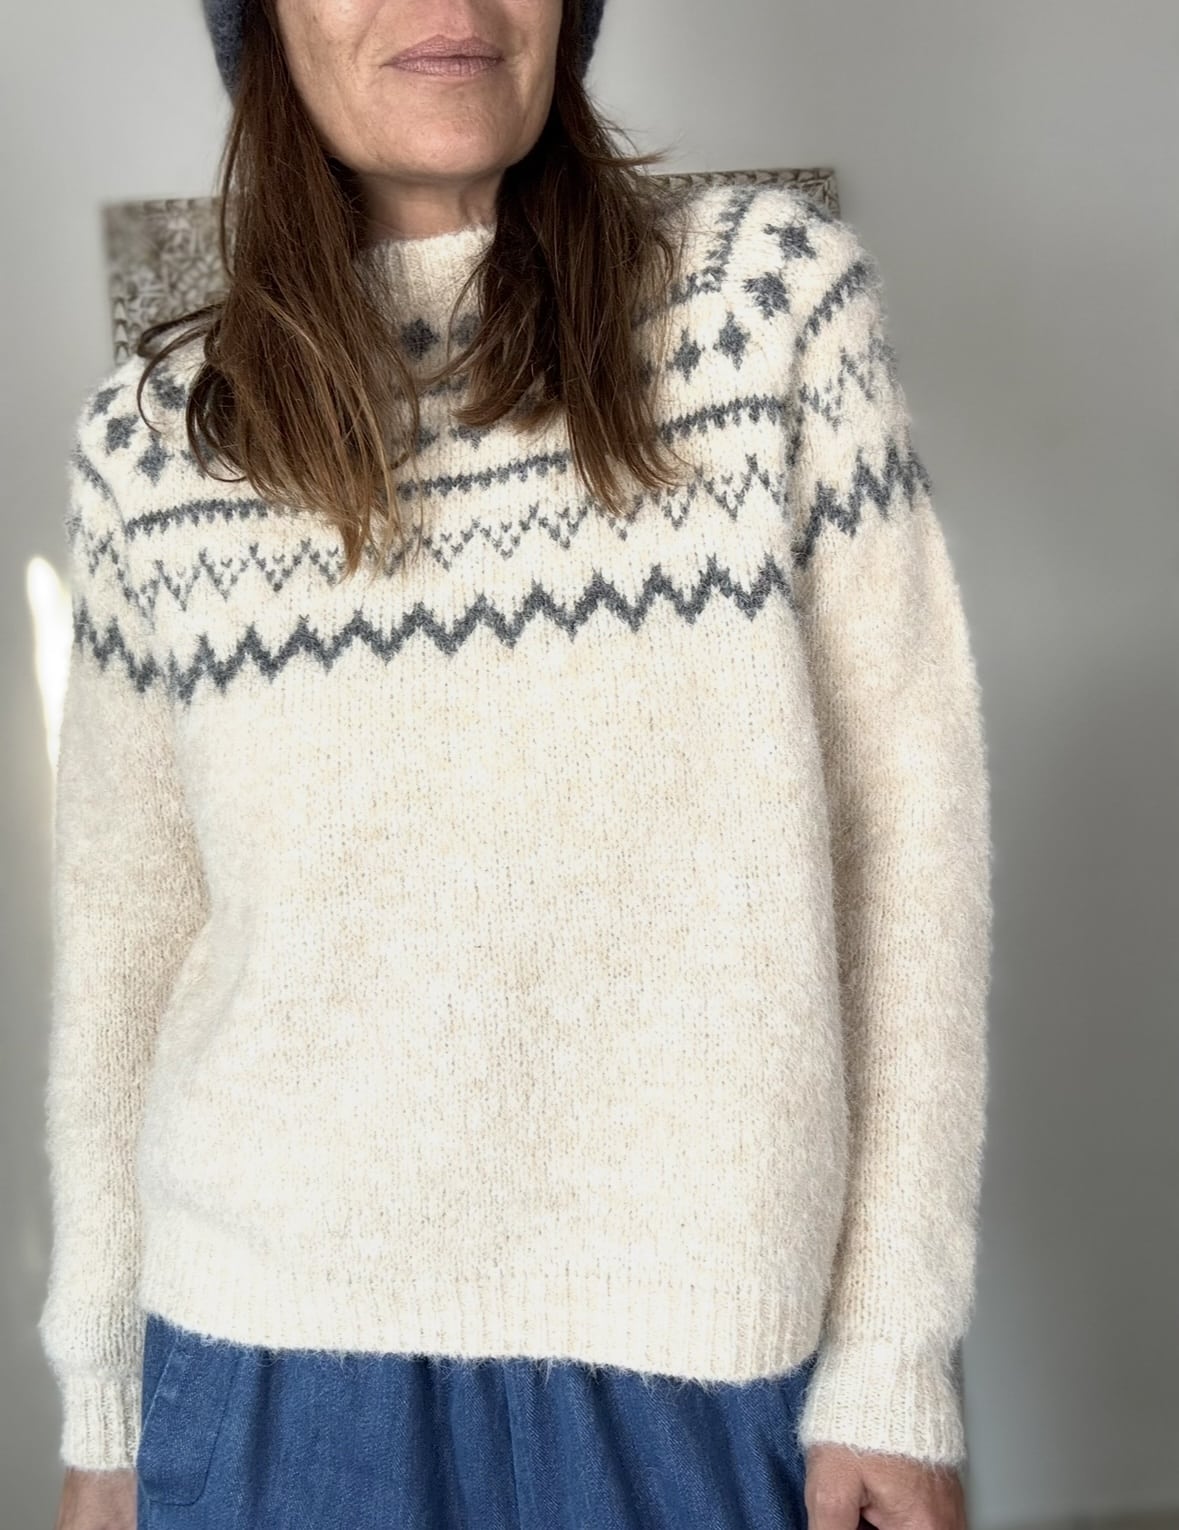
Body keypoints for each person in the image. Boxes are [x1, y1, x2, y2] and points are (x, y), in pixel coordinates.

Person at [40, 0, 993, 1526]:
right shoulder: (151, 444)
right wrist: (104, 1400)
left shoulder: (768, 310)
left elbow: (905, 850)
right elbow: (126, 949)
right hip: (264, 1370)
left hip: (701, 1359)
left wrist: (893, 1353)